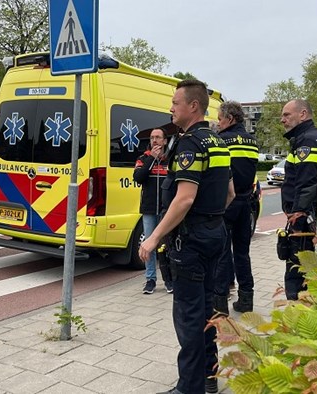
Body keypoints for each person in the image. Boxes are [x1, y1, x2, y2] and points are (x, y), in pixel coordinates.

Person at [139, 79, 234, 394]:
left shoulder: (190, 143)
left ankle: (189, 388)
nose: (171, 108)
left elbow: (184, 198)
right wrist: (210, 220)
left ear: (193, 106)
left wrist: (153, 239)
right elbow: (230, 193)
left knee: (189, 317)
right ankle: (209, 378)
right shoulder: (218, 141)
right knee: (208, 310)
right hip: (215, 234)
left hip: (191, 242)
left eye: (175, 103)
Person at [212, 101, 259, 315]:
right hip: (245, 203)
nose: (219, 123)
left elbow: (218, 174)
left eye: (220, 118)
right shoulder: (252, 141)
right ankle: (246, 299)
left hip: (226, 202)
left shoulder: (221, 140)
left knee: (222, 253)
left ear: (230, 119)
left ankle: (220, 303)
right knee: (242, 253)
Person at [279, 99, 317, 300]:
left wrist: (298, 215)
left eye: (287, 115)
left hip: (303, 220)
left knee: (297, 270)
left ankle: (298, 315)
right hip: (304, 216)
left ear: (303, 114)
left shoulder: (307, 141)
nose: (282, 120)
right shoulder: (304, 139)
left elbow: (307, 182)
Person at [133, 128, 172, 294]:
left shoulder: (170, 160)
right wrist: (151, 159)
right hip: (149, 209)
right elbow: (138, 178)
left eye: (158, 137)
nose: (155, 140)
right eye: (152, 138)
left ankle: (169, 279)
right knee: (149, 244)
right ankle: (150, 279)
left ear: (164, 141)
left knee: (166, 245)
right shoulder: (143, 159)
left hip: (166, 210)